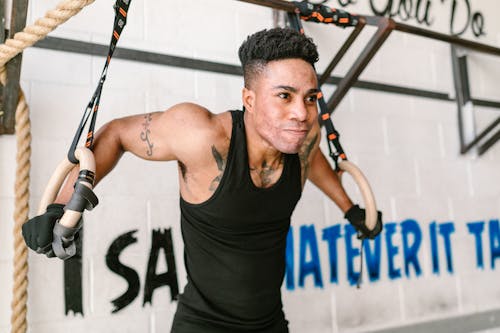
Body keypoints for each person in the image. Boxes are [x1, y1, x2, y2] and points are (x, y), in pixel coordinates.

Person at [22, 27, 382, 332]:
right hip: (203, 324)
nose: (301, 113)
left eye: (310, 98)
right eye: (284, 96)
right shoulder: (201, 135)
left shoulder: (304, 136)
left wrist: (351, 210)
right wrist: (61, 205)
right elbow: (117, 134)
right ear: (249, 100)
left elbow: (312, 159)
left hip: (270, 322)